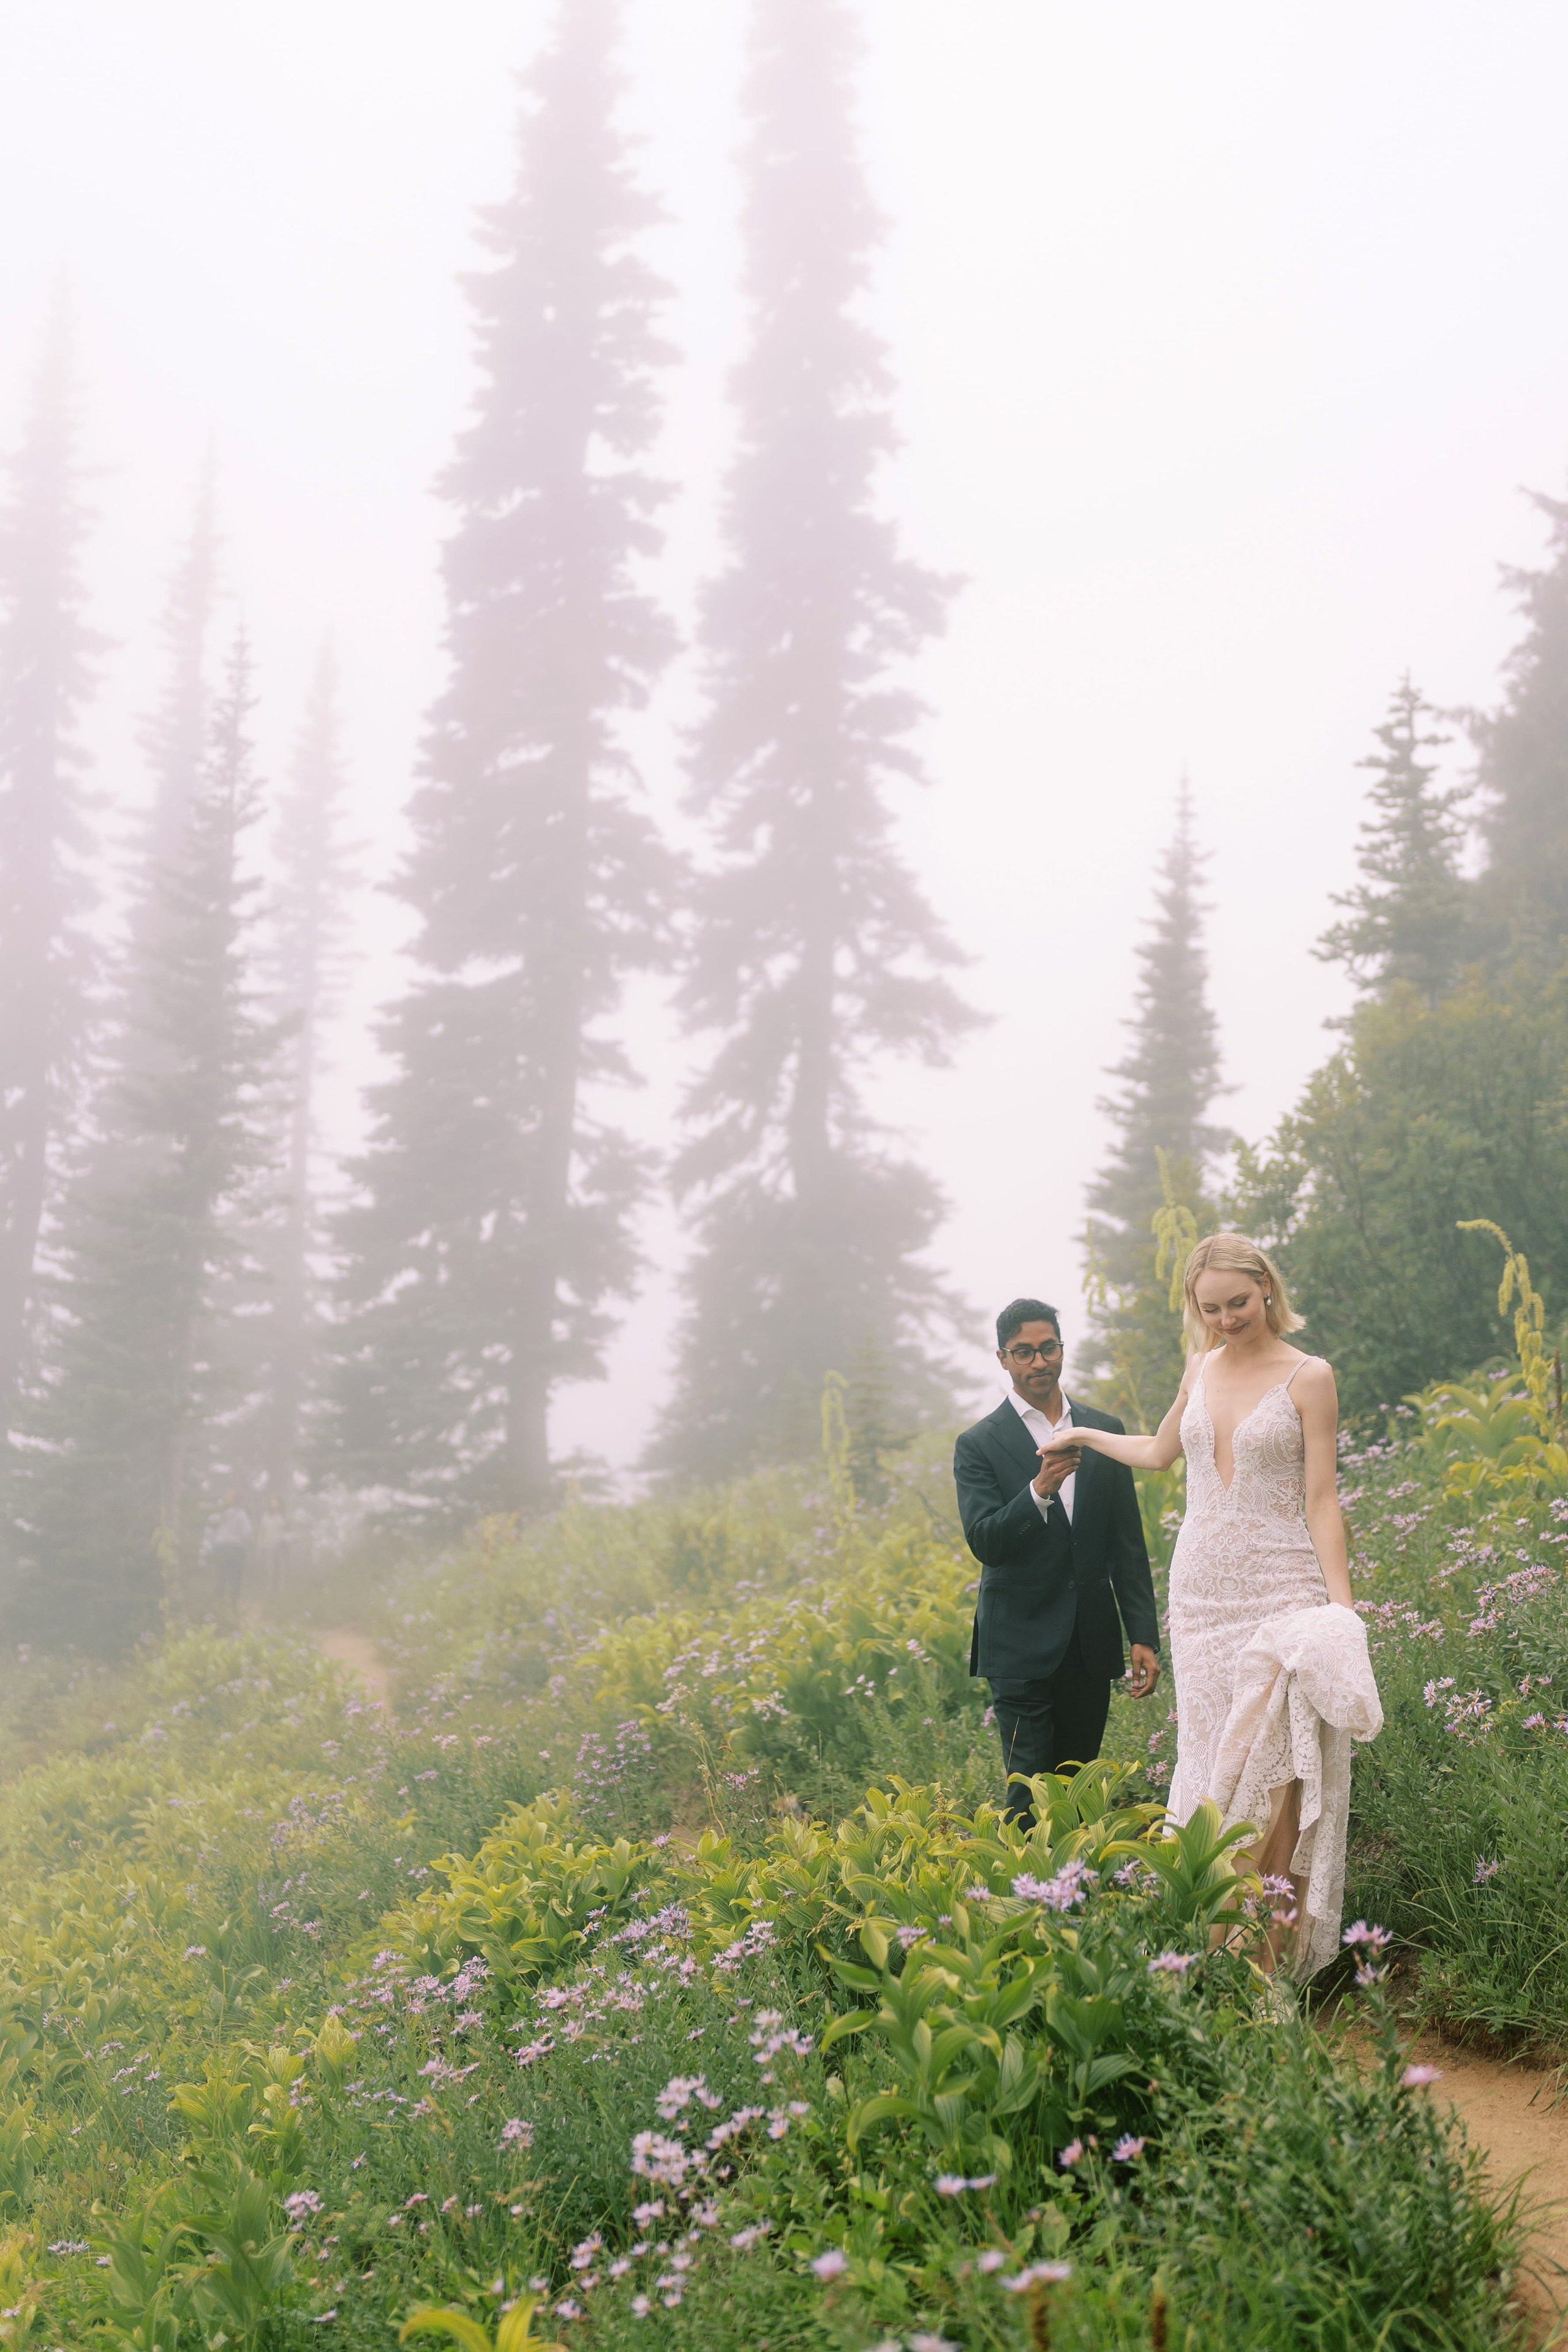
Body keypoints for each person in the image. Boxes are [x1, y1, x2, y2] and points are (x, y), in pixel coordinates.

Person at [1038, 1233, 1382, 1976]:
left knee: (1276, 1769)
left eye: (1239, 1303)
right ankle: (1212, 1955)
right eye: (1211, 1308)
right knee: (1210, 1767)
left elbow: (1322, 1500)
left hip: (1280, 1587)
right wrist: (1088, 1435)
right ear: (1195, 1309)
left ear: (1266, 1289)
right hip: (1198, 1598)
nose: (1228, 1319)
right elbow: (1161, 1453)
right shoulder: (1199, 1367)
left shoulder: (1308, 1375)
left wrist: (1342, 1610)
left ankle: (1264, 1966)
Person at [954, 1297, 1161, 1823]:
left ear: (1062, 1349)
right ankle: (1023, 1894)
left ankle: (1077, 1896)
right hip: (1018, 1645)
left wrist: (1142, 1634)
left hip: (1089, 1641)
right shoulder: (978, 1444)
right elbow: (985, 1541)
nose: (1038, 1362)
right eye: (1023, 1352)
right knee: (1028, 1791)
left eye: (1047, 1348)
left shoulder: (1102, 1427)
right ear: (1003, 1358)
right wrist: (1039, 1490)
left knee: (1079, 1784)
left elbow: (1126, 1544)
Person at [203, 1490, 253, 1611]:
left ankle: (218, 1606)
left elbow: (209, 1531)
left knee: (220, 1577)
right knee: (235, 1578)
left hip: (220, 1548)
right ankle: (233, 1607)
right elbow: (247, 1533)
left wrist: (211, 1547)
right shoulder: (241, 1514)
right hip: (236, 1550)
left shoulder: (218, 1514)